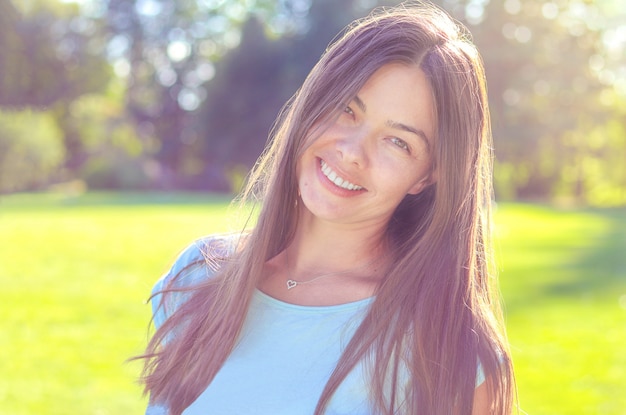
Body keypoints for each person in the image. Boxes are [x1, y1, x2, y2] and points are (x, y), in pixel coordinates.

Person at [139, 2, 516, 414]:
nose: (353, 153)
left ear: (427, 176)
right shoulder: (199, 276)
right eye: (347, 109)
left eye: (398, 142)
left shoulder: (450, 348)